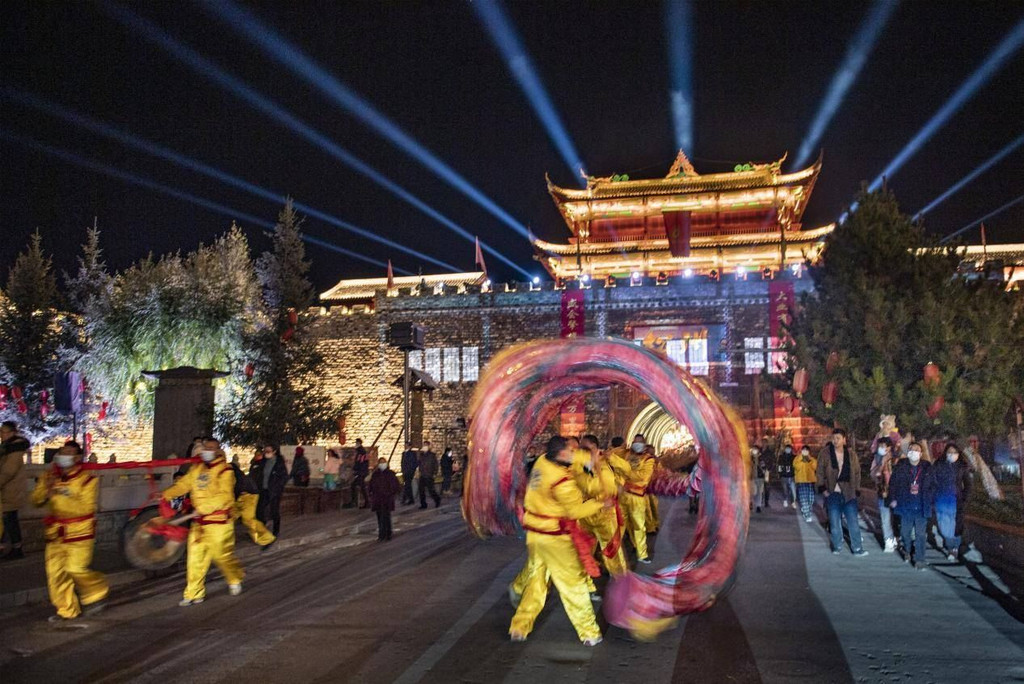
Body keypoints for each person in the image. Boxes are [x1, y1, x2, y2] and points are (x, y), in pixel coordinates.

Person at [509, 436, 606, 646]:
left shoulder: (543, 460)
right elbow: (575, 511)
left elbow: (574, 457)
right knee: (573, 584)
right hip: (555, 537)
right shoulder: (563, 481)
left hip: (535, 533)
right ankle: (589, 631)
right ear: (562, 453)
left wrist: (590, 458)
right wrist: (600, 504)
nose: (575, 452)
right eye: (571, 450)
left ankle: (520, 626)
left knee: (536, 581)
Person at [160, 438, 245, 605]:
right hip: (199, 523)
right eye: (205, 448)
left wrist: (204, 508)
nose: (207, 451)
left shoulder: (225, 470)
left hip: (219, 523)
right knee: (195, 558)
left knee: (221, 556)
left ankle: (234, 577)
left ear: (218, 451)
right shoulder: (196, 469)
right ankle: (194, 593)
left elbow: (225, 497)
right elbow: (183, 485)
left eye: (211, 448)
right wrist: (167, 494)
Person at [32, 440, 109, 621]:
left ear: (77, 457)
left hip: (79, 533)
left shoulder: (87, 480)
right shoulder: (49, 476)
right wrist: (47, 490)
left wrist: (59, 495)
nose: (64, 455)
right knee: (56, 574)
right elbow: (36, 500)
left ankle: (97, 590)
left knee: (75, 568)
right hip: (55, 532)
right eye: (62, 452)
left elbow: (85, 508)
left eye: (69, 453)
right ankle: (66, 610)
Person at [574, 434, 628, 576]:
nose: (582, 452)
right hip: (585, 514)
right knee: (583, 551)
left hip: (605, 516)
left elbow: (625, 471)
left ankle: (621, 582)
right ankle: (584, 582)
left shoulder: (605, 463)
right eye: (581, 449)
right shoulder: (580, 466)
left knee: (612, 552)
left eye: (586, 449)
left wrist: (612, 459)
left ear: (595, 448)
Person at [816, 428, 868, 556]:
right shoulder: (825, 453)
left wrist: (856, 489)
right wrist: (823, 489)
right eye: (833, 438)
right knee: (834, 521)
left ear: (844, 440)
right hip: (832, 491)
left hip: (849, 492)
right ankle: (837, 545)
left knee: (853, 521)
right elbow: (819, 472)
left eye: (838, 438)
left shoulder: (851, 454)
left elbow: (857, 473)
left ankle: (857, 548)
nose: (835, 440)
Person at [607, 434, 655, 564]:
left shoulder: (648, 459)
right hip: (622, 495)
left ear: (644, 444)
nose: (637, 444)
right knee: (619, 525)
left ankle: (642, 554)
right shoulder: (626, 453)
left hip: (637, 497)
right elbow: (612, 454)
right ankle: (612, 554)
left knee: (639, 526)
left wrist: (624, 470)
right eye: (635, 442)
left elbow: (642, 477)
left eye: (640, 442)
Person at [887, 442, 934, 569]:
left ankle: (920, 559)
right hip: (905, 505)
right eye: (911, 449)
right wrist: (893, 498)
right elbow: (893, 483)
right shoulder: (901, 466)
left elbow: (933, 485)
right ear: (908, 452)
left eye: (917, 449)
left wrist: (931, 499)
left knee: (920, 534)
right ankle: (907, 549)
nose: (914, 452)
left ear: (921, 453)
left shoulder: (927, 467)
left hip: (921, 506)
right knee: (905, 533)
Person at [931, 442, 972, 562]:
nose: (952, 454)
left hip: (956, 501)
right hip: (941, 500)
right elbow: (932, 481)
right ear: (945, 453)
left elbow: (968, 484)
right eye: (950, 452)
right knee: (944, 526)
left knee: (956, 527)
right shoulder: (938, 464)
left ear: (958, 454)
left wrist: (964, 498)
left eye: (954, 452)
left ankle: (953, 549)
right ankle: (950, 545)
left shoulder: (962, 466)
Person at [230, 458, 275, 549]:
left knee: (248, 519)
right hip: (241, 496)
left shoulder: (232, 473)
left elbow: (234, 489)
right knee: (230, 517)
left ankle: (266, 537)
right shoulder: (231, 472)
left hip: (249, 495)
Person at [0, 420, 29, 561]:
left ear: (12, 433)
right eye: (1, 431)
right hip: (9, 489)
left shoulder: (14, 449)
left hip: (10, 489)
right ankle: (15, 548)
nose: (2, 435)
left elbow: (8, 471)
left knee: (8, 520)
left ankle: (16, 548)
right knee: (9, 520)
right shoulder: (7, 447)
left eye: (4, 432)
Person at [251, 445, 288, 536]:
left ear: (274, 451)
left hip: (274, 491)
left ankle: (276, 531)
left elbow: (284, 477)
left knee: (274, 510)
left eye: (269, 450)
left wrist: (278, 487)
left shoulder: (279, 463)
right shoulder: (263, 462)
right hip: (263, 490)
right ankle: (261, 528)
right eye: (265, 450)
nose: (266, 452)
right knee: (260, 509)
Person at [869, 437, 897, 552]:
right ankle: (889, 542)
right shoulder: (876, 459)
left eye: (883, 446)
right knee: (885, 518)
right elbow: (873, 475)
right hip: (883, 492)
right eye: (879, 446)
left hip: (897, 493)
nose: (880, 448)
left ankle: (899, 539)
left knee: (898, 518)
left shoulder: (897, 459)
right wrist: (882, 463)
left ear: (889, 447)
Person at [367, 458, 401, 540]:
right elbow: (371, 485)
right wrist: (371, 494)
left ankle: (388, 533)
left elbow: (396, 486)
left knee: (386, 516)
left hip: (387, 499)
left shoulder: (390, 474)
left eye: (383, 463)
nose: (382, 464)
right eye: (380, 463)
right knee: (379, 517)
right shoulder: (375, 474)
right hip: (378, 499)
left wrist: (391, 493)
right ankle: (381, 534)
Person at [793, 444, 818, 523]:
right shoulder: (797, 459)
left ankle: (806, 511)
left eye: (806, 450)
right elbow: (797, 467)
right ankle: (807, 515)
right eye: (803, 450)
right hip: (801, 481)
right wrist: (802, 459)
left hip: (810, 481)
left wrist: (809, 459)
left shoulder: (812, 459)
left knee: (811, 499)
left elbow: (815, 467)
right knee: (803, 499)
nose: (805, 452)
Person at [417, 441, 441, 509]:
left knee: (431, 490)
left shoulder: (432, 455)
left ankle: (437, 500)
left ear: (428, 446)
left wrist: (435, 473)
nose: (425, 446)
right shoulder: (421, 455)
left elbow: (435, 464)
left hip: (429, 475)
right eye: (424, 445)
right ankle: (423, 504)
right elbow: (419, 463)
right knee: (421, 490)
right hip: (422, 474)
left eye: (426, 445)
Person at [777, 443, 797, 509]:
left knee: (793, 490)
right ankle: (785, 500)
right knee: (785, 489)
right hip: (784, 475)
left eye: (789, 448)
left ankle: (793, 502)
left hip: (792, 475)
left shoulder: (794, 457)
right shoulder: (781, 457)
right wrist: (779, 473)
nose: (788, 450)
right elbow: (779, 465)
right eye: (787, 448)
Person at [351, 438, 370, 508]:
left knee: (359, 487)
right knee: (360, 487)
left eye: (356, 443)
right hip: (362, 472)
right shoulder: (361, 452)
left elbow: (360, 463)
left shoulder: (361, 452)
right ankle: (364, 502)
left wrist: (356, 470)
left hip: (361, 473)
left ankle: (356, 502)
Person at [750, 445, 765, 513]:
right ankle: (751, 503)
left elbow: (763, 468)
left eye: (756, 449)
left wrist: (758, 463)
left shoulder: (761, 458)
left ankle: (758, 506)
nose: (754, 451)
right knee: (752, 491)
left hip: (760, 477)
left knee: (759, 492)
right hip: (751, 477)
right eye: (753, 449)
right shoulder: (749, 458)